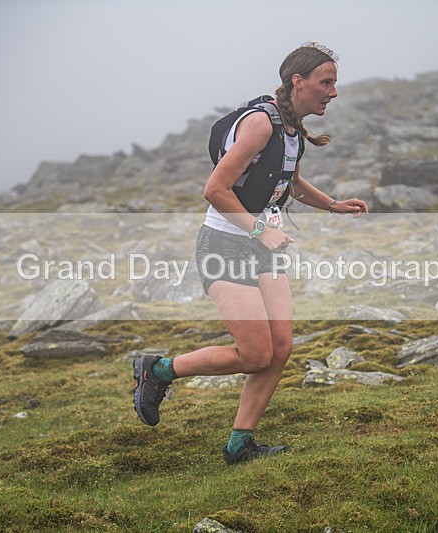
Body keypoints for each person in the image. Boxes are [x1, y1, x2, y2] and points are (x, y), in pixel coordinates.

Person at [133, 42, 368, 465]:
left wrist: (333, 205)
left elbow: (290, 182)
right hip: (225, 245)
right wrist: (262, 230)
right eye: (325, 82)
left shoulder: (293, 129)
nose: (333, 92)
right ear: (298, 81)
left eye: (334, 83)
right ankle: (158, 370)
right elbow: (215, 190)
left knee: (280, 348)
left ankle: (240, 444)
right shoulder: (261, 123)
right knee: (255, 354)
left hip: (262, 245)